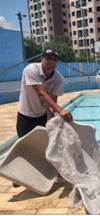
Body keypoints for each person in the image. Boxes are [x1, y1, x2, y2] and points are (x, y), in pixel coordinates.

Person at [13, 48, 73, 187]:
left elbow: (52, 101)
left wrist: (51, 119)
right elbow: (41, 93)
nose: (50, 62)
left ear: (57, 62)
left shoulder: (58, 79)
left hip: (41, 115)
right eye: (48, 58)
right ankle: (19, 176)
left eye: (54, 59)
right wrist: (61, 111)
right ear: (42, 59)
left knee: (49, 144)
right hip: (25, 115)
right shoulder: (31, 70)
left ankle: (55, 171)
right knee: (24, 147)